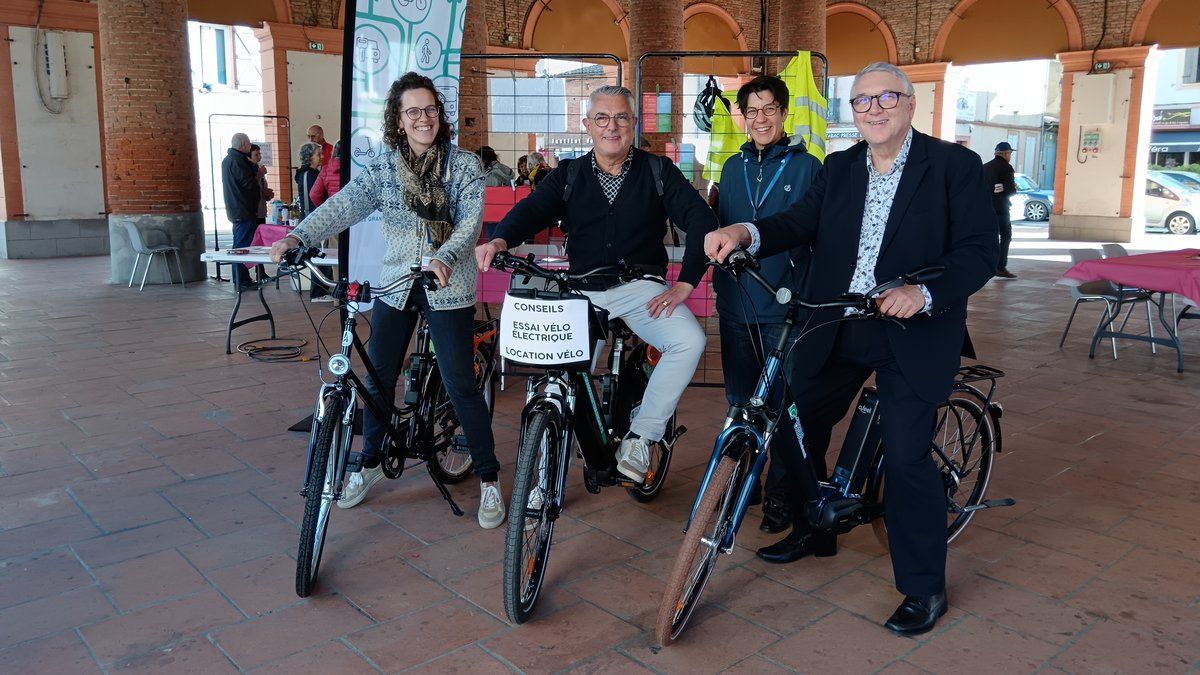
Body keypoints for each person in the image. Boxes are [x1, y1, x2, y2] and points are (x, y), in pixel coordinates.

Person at [704, 62, 998, 636]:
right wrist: (747, 233)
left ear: (910, 104)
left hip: (913, 326)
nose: (874, 108)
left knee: (908, 456)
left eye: (887, 96)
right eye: (862, 101)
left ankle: (923, 587)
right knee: (794, 418)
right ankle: (819, 530)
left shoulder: (953, 166)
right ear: (853, 112)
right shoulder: (839, 168)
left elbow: (981, 250)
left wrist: (924, 291)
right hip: (840, 320)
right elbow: (797, 221)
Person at [271, 72, 505, 529]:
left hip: (447, 285)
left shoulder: (462, 165)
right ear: (398, 120)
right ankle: (371, 461)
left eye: (430, 109)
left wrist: (444, 256)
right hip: (397, 283)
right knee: (377, 379)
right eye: (413, 111)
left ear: (441, 114)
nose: (424, 118)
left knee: (459, 383)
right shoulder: (382, 167)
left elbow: (469, 223)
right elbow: (344, 205)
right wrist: (298, 234)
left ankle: (490, 478)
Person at [477, 84, 717, 484]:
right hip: (581, 289)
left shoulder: (658, 171)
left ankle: (643, 434)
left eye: (621, 117)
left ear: (634, 124)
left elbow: (700, 221)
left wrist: (687, 284)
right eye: (602, 118)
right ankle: (544, 465)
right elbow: (532, 210)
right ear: (587, 125)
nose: (612, 126)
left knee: (690, 340)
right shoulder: (568, 174)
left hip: (640, 287)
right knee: (560, 373)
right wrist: (501, 238)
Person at [714, 75, 821, 535]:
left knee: (782, 406)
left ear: (783, 113)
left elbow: (816, 233)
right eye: (751, 111)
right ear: (743, 116)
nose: (760, 119)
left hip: (786, 306)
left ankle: (781, 495)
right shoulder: (731, 167)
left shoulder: (809, 166)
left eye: (769, 109)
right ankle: (741, 482)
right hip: (738, 304)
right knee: (740, 403)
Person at [221, 132, 260, 287]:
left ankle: (241, 278)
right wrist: (256, 175)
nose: (250, 145)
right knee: (241, 247)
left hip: (237, 208)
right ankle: (241, 280)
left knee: (240, 245)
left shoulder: (229, 160)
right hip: (242, 209)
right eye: (249, 142)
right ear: (243, 144)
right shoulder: (238, 161)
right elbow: (248, 183)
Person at [983, 141, 1018, 278]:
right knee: (1005, 237)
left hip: (986, 209)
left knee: (988, 238)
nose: (1010, 156)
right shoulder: (1006, 168)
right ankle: (1000, 266)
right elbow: (1009, 190)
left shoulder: (985, 167)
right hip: (1001, 210)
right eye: (1009, 153)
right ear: (1005, 153)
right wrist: (1013, 189)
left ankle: (985, 266)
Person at [309, 140, 344, 208]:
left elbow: (314, 195)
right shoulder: (354, 168)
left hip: (334, 211)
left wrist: (325, 209)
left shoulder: (326, 169)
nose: (322, 157)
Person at [249, 144, 274, 225]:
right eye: (256, 155)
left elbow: (261, 188)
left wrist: (267, 193)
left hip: (261, 212)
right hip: (253, 213)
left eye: (260, 154)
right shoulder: (249, 171)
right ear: (249, 157)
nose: (259, 157)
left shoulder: (258, 168)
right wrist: (259, 175)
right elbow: (249, 186)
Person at [295, 142, 321, 219]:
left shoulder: (312, 173)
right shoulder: (308, 175)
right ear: (309, 157)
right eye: (318, 154)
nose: (322, 156)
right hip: (311, 218)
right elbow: (313, 200)